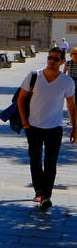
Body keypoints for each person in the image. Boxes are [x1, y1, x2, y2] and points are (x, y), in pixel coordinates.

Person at [17, 46, 77, 210]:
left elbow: (71, 105)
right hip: (33, 126)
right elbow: (20, 99)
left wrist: (74, 127)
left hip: (54, 128)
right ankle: (38, 190)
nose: (52, 61)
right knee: (35, 160)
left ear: (62, 61)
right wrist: (25, 123)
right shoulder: (34, 76)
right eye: (50, 57)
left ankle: (46, 196)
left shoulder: (67, 81)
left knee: (51, 163)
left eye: (56, 59)